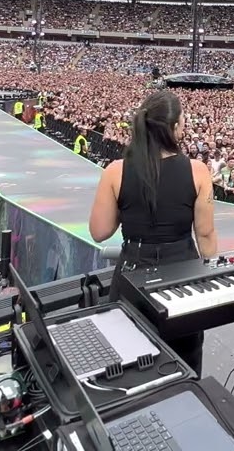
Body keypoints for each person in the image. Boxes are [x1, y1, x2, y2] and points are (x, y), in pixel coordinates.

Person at [88, 90, 217, 374]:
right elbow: (205, 235)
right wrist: (215, 280)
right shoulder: (198, 171)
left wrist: (130, 208)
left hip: (133, 273)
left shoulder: (115, 171)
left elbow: (99, 231)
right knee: (184, 363)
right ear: (173, 128)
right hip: (183, 276)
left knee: (129, 363)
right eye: (183, 122)